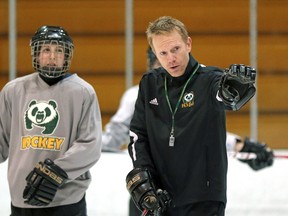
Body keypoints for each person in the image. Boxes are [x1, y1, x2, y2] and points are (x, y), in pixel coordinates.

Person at [102, 46, 273, 216]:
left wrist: (240, 146)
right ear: (152, 63)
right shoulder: (140, 93)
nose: (169, 63)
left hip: (188, 192)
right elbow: (116, 134)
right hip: (151, 191)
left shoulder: (191, 89)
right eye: (161, 58)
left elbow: (196, 133)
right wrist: (87, 144)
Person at [125, 16, 260, 216]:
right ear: (155, 53)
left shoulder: (211, 79)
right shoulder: (149, 84)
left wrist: (229, 92)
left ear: (188, 44)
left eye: (175, 49)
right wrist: (146, 177)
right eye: (163, 53)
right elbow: (138, 135)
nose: (171, 58)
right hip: (161, 197)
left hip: (204, 200)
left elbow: (221, 96)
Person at [0, 26, 102, 216]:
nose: (52, 56)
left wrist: (56, 172)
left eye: (59, 51)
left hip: (67, 201)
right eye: (46, 50)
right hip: (22, 199)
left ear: (67, 56)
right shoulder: (13, 91)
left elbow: (90, 145)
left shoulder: (83, 92)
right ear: (36, 54)